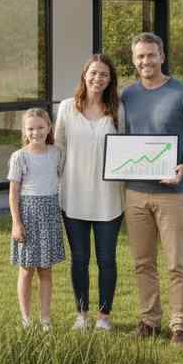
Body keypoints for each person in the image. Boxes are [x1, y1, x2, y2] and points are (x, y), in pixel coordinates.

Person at [121, 32, 183, 345]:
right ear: (133, 61)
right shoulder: (128, 95)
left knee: (177, 264)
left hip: (173, 194)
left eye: (151, 55)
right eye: (140, 57)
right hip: (135, 193)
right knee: (142, 263)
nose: (145, 61)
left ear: (162, 57)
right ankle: (149, 320)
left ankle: (180, 325)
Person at [54, 54, 124, 332]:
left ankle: (104, 317)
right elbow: (57, 151)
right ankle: (81, 315)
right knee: (80, 259)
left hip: (109, 198)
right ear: (84, 75)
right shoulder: (67, 108)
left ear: (111, 80)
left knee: (107, 260)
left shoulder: (118, 110)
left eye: (104, 74)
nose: (98, 79)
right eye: (93, 73)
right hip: (73, 197)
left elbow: (128, 148)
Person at [9, 108, 66, 329]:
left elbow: (60, 179)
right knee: (26, 270)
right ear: (25, 130)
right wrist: (17, 222)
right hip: (28, 215)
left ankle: (45, 319)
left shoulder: (57, 154)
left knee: (45, 270)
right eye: (31, 128)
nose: (36, 132)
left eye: (40, 127)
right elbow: (13, 193)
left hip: (50, 214)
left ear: (49, 128)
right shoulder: (19, 157)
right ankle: (26, 319)